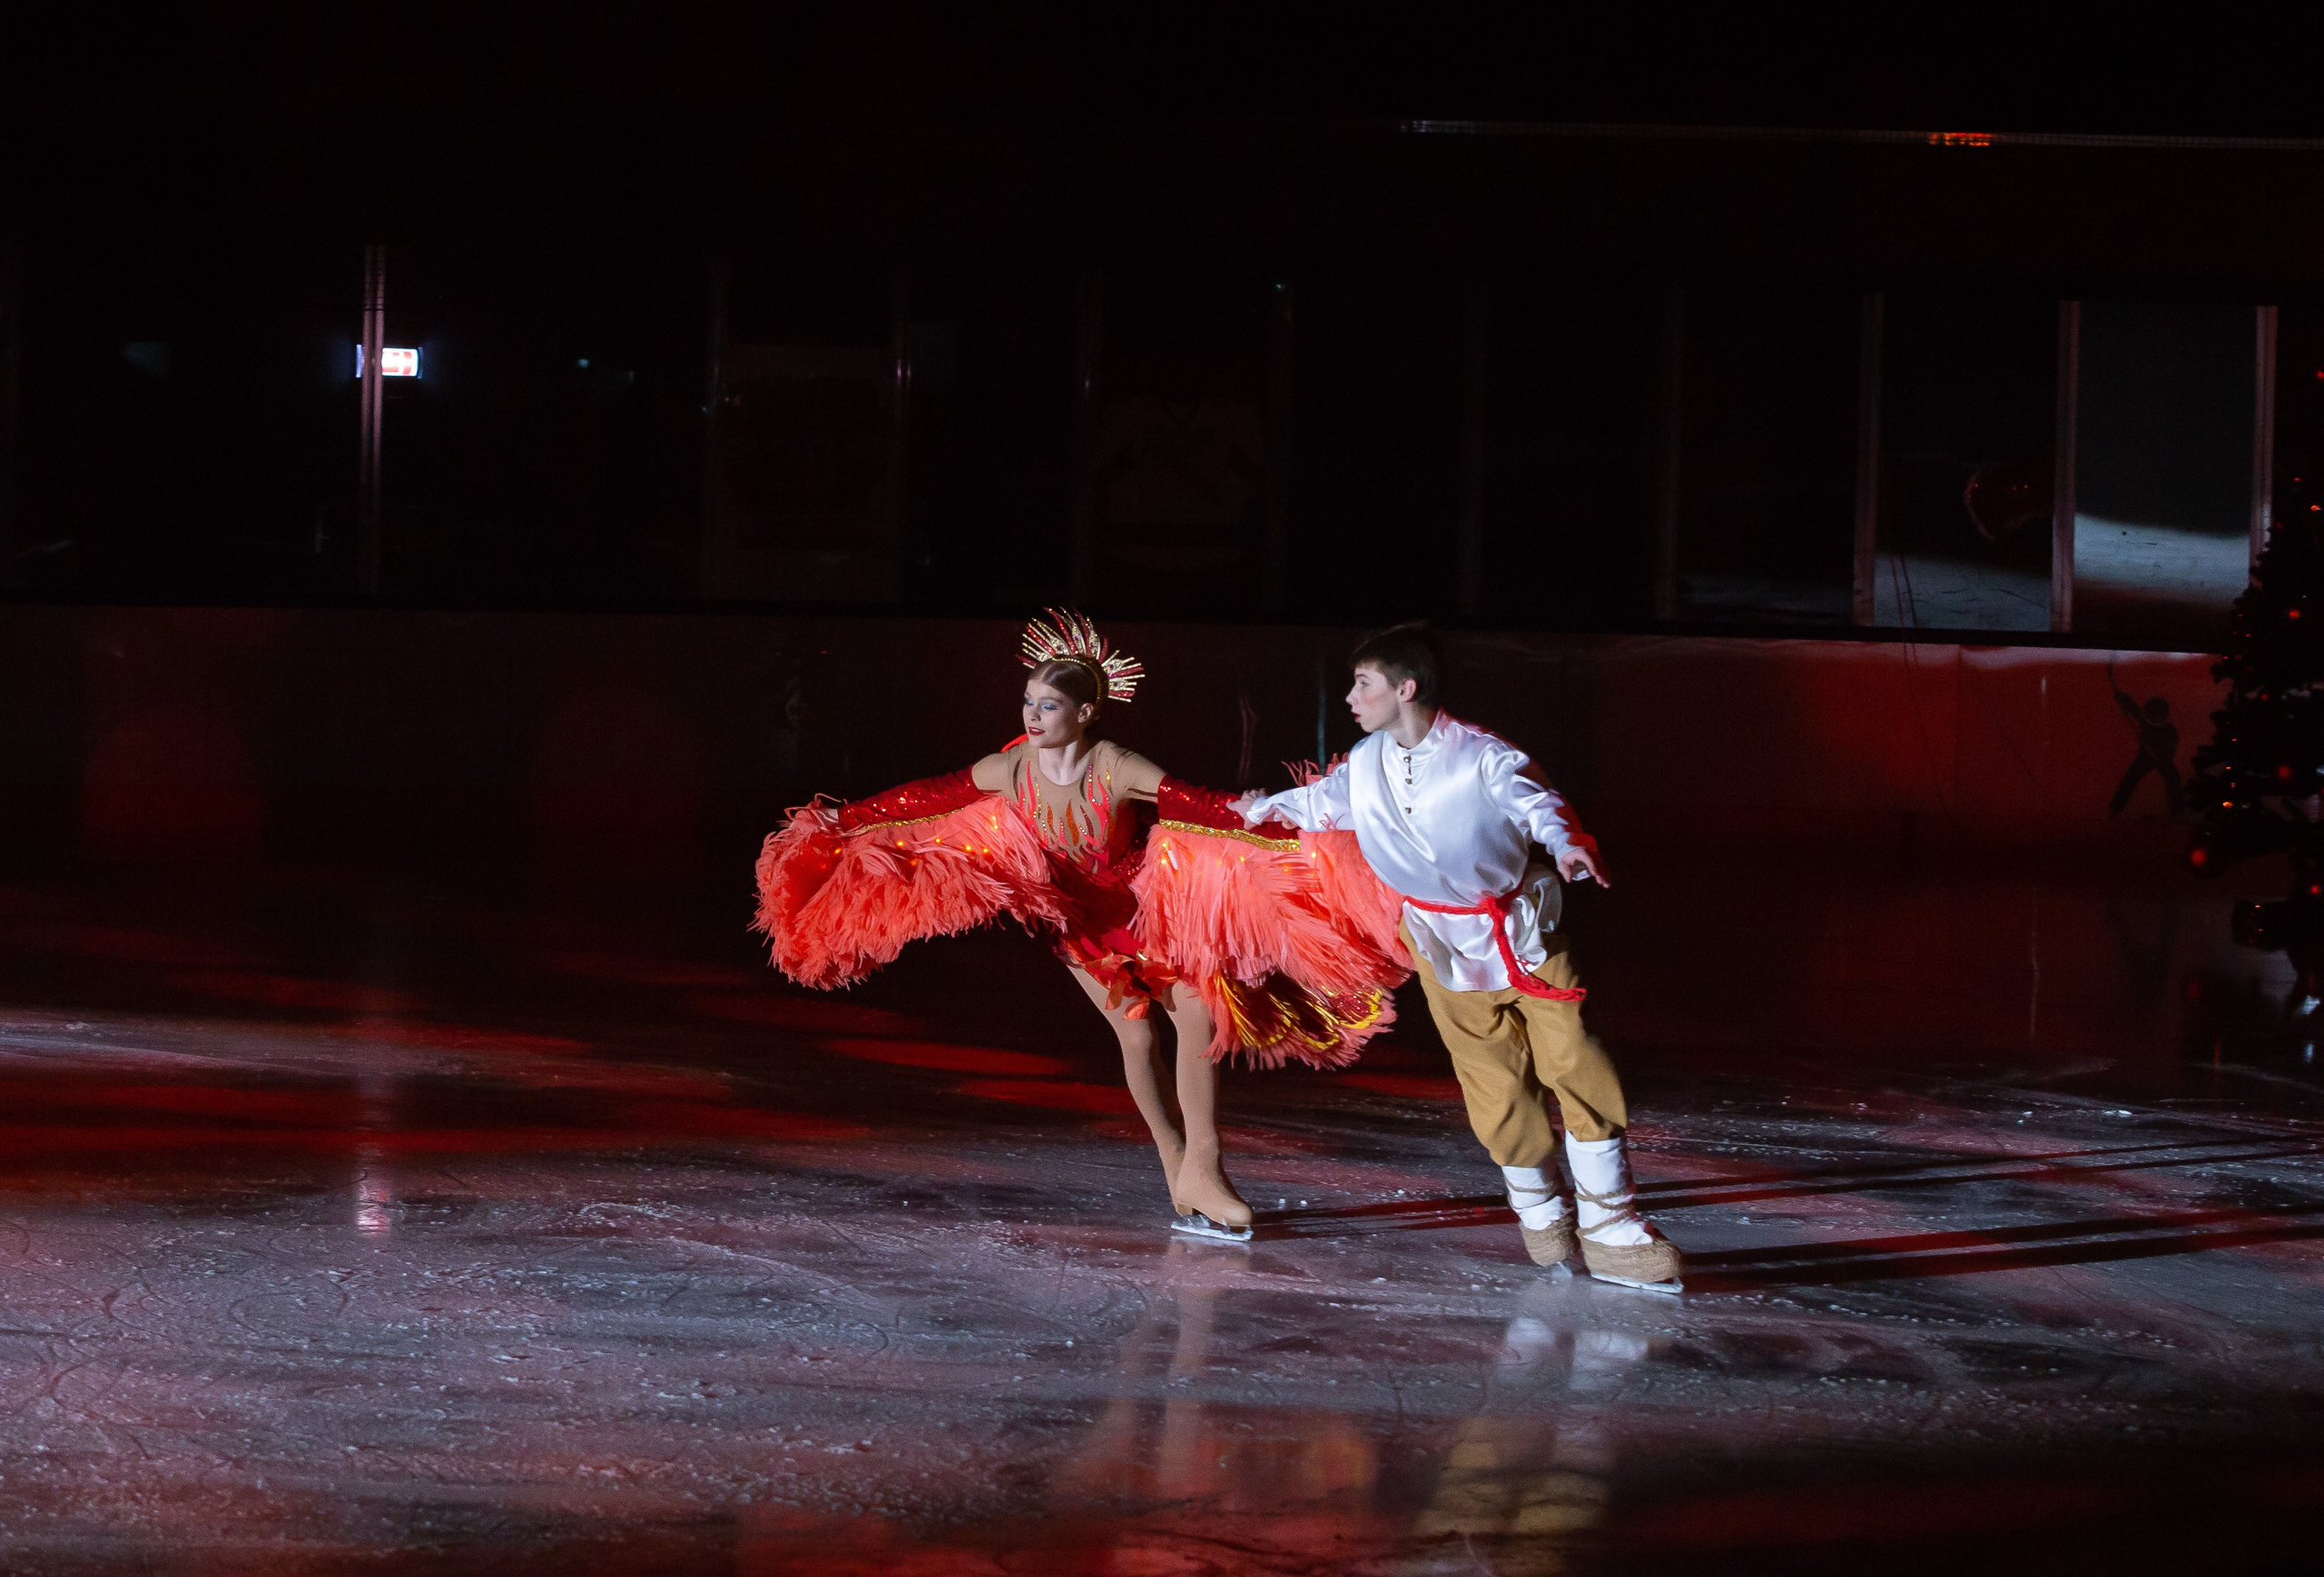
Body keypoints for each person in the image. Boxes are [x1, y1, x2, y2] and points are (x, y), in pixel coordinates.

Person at [754, 611, 1403, 1243]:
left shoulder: (1115, 766)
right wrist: (842, 825)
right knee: (1136, 1036)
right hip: (1079, 927)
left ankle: (1205, 1163)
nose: (1032, 717)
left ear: (1086, 713)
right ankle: (1176, 1162)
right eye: (1028, 703)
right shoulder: (1011, 770)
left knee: (1199, 1013)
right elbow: (923, 797)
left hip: (1147, 912)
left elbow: (1199, 806)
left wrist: (1292, 819)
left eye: (1049, 706)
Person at [1236, 625, 1682, 1292]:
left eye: (1364, 684)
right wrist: (1261, 809)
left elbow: (1539, 805)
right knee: (1491, 1077)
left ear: (1405, 688)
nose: (1352, 697)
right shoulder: (1363, 763)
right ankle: (1541, 1217)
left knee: (1572, 1057)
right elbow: (1320, 805)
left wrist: (1567, 845)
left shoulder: (1485, 757)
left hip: (1521, 930)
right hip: (1439, 941)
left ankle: (1613, 1225)